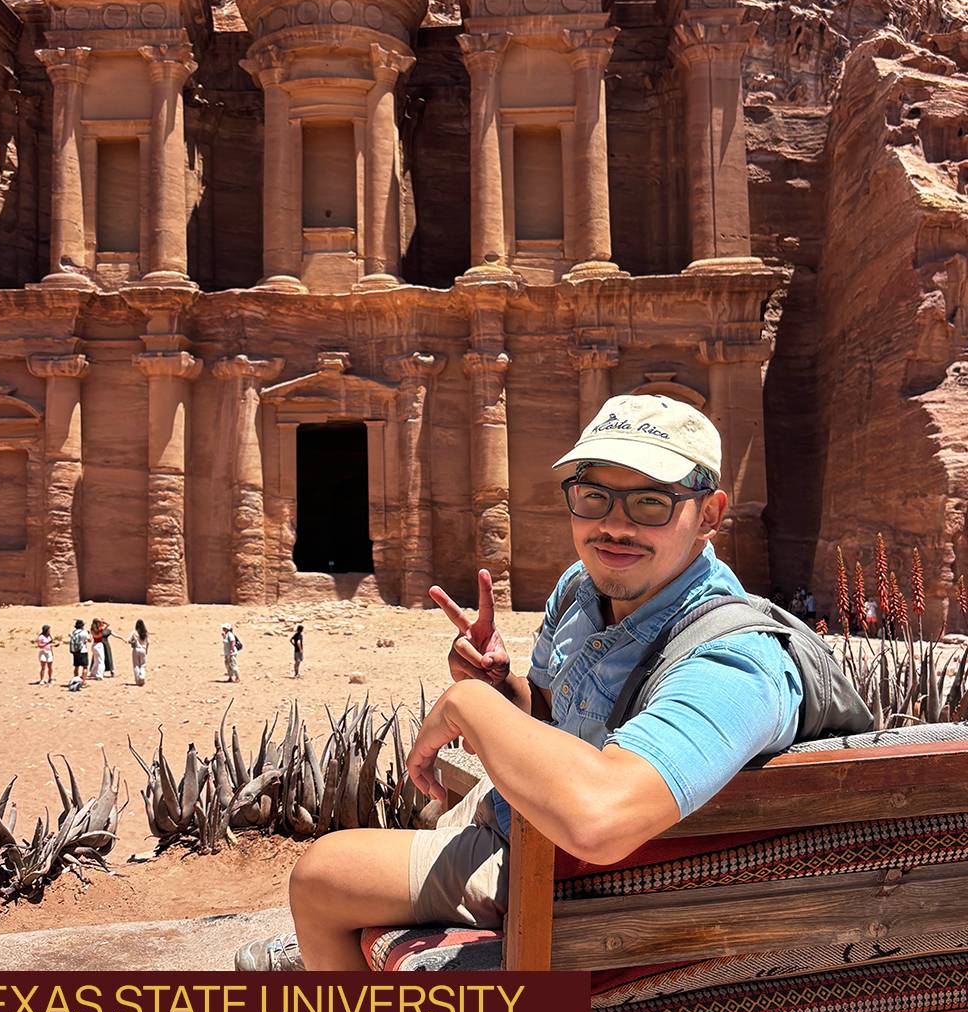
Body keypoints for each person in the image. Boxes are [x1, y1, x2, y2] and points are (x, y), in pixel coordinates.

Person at [238, 394, 813, 973]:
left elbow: (600, 821)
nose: (615, 525)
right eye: (594, 497)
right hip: (523, 820)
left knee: (321, 876)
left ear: (709, 516)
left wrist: (467, 705)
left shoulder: (734, 660)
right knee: (400, 840)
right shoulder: (583, 589)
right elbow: (546, 711)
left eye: (650, 502)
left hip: (581, 877)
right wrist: (495, 683)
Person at [68, 619, 90, 685]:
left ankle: (76, 679)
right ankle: (83, 681)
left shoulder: (74, 632)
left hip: (75, 651)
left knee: (76, 666)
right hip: (83, 650)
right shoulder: (84, 632)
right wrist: (89, 634)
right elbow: (90, 640)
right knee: (85, 667)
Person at [129, 619, 149, 686]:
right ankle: (142, 676)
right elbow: (148, 642)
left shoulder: (134, 632)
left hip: (136, 649)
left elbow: (128, 640)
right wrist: (146, 650)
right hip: (143, 649)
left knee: (136, 665)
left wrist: (132, 642)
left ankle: (138, 680)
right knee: (143, 665)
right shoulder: (145, 633)